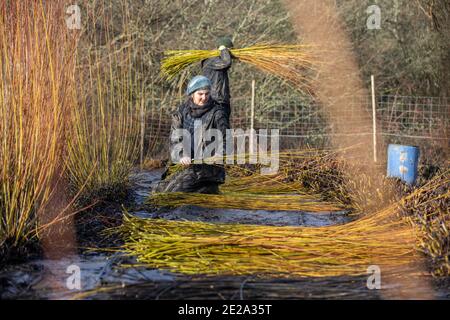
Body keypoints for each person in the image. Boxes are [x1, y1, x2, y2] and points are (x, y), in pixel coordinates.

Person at [153, 75, 230, 194]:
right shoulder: (181, 112)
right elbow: (175, 138)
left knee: (174, 193)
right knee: (159, 190)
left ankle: (210, 189)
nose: (204, 97)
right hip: (184, 165)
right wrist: (182, 155)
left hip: (206, 170)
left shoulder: (217, 113)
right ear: (192, 94)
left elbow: (226, 139)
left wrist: (220, 154)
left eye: (207, 94)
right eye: (200, 94)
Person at [201, 36, 234, 119]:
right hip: (215, 100)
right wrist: (224, 50)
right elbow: (226, 62)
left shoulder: (216, 60)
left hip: (219, 100)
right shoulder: (212, 60)